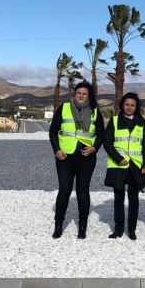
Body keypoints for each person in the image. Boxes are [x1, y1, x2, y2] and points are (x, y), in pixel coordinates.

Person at [49, 81, 105, 239]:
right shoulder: (64, 108)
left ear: (89, 96)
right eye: (79, 93)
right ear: (75, 94)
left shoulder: (94, 111)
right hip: (65, 155)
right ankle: (58, 224)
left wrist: (94, 147)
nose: (81, 95)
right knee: (64, 190)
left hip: (86, 156)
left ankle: (82, 226)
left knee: (82, 191)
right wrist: (56, 150)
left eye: (84, 93)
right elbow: (53, 130)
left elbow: (101, 133)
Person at [103, 93, 145, 240]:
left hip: (136, 166)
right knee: (118, 198)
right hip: (119, 166)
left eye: (132, 105)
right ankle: (118, 229)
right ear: (122, 105)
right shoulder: (115, 120)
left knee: (134, 198)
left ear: (136, 107)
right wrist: (119, 159)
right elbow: (107, 142)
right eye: (126, 104)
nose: (129, 107)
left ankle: (131, 229)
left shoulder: (142, 123)